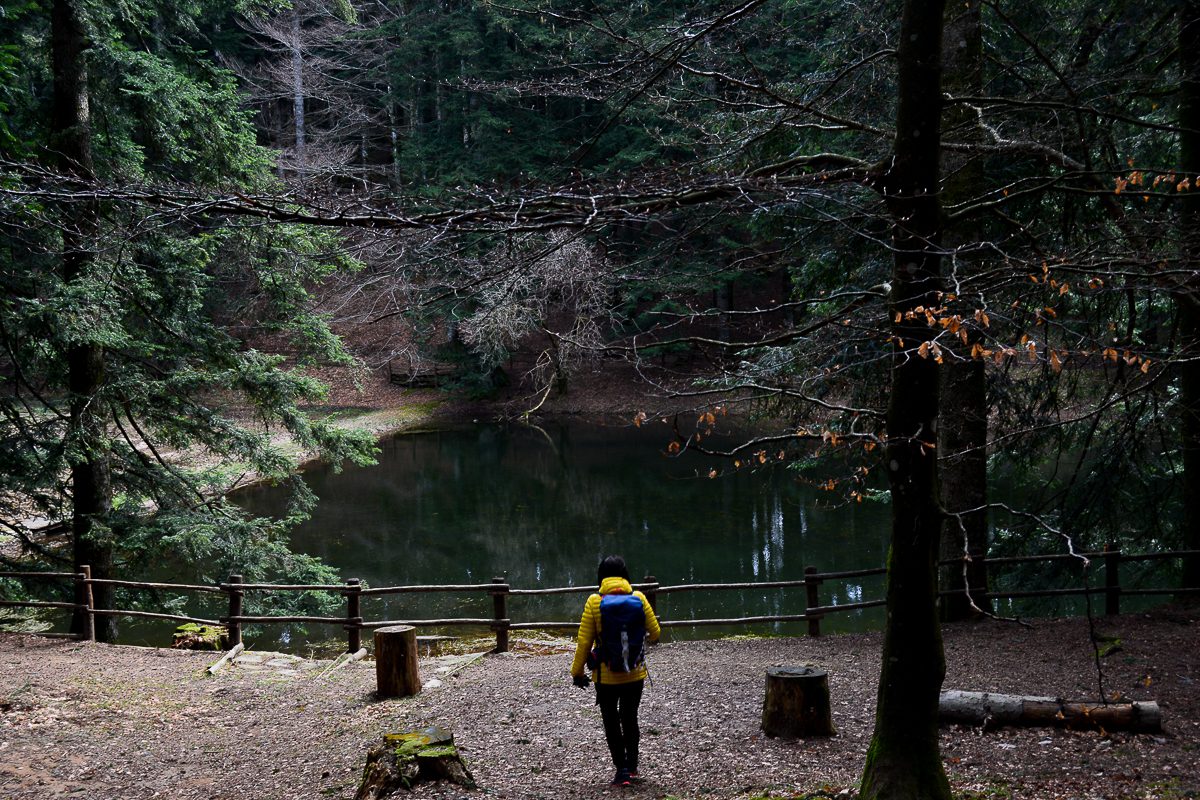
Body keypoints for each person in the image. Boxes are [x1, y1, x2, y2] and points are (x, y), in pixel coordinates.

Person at [569, 555, 661, 787]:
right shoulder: (638, 597)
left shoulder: (594, 602)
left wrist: (577, 673)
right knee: (630, 717)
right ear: (625, 574)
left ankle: (621, 772)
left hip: (605, 677)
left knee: (611, 721)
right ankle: (633, 766)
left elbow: (584, 643)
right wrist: (634, 642)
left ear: (601, 576)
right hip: (634, 674)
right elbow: (656, 632)